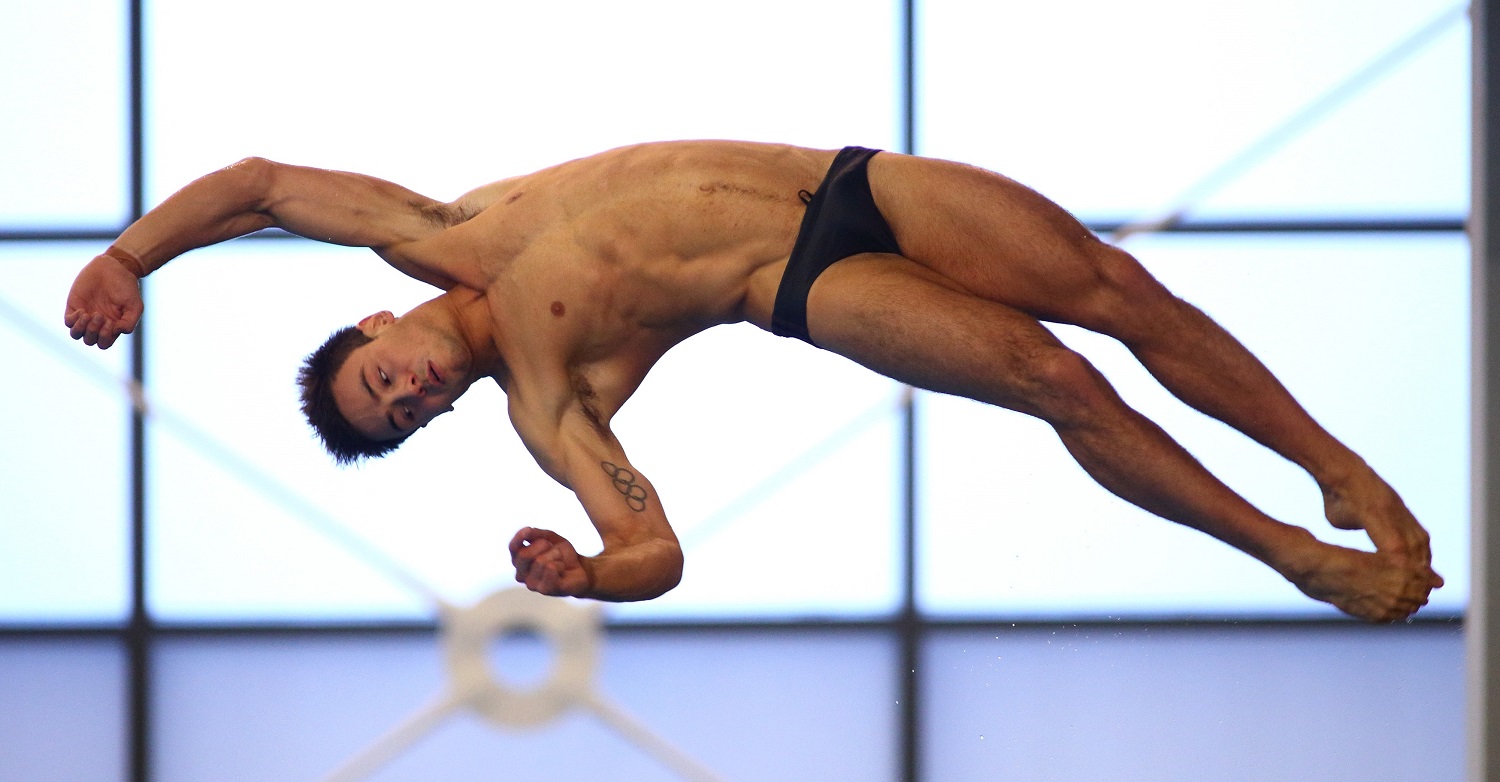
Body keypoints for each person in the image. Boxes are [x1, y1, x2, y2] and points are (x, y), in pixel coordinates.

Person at [63, 140, 1443, 621]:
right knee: (1053, 375)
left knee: (1117, 289)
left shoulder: (433, 225)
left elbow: (253, 187)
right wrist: (591, 576)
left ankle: (1335, 464)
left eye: (384, 378)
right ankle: (1292, 554)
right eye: (406, 418)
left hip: (848, 181)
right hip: (807, 285)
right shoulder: (553, 401)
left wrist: (133, 255)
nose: (414, 392)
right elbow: (655, 545)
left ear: (376, 319)